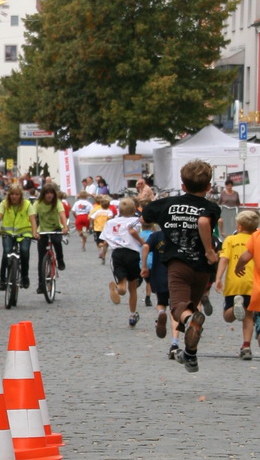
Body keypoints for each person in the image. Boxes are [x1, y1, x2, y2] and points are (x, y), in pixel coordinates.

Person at [142, 159, 221, 373]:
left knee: (179, 309)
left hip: (178, 263)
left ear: (183, 185)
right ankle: (190, 355)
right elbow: (205, 222)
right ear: (208, 187)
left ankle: (191, 319)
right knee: (191, 307)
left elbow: (145, 215)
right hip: (202, 269)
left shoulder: (168, 203)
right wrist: (209, 253)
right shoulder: (211, 207)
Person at [216, 206, 259, 360]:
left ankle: (235, 308)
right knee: (248, 316)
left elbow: (224, 259)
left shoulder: (230, 240)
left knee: (228, 317)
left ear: (239, 226)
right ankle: (246, 346)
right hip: (251, 283)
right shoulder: (256, 239)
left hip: (234, 282)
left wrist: (218, 278)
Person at [102, 197, 145, 325]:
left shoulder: (111, 222)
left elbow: (105, 240)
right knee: (133, 288)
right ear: (133, 210)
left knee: (123, 286)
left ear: (119, 210)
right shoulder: (136, 221)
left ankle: (116, 288)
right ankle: (132, 315)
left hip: (118, 253)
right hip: (133, 254)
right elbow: (136, 229)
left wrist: (104, 251)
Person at [0, 181, 36, 290]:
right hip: (8, 233)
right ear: (8, 195)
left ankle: (25, 276)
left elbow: (33, 220)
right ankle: (2, 280)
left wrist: (34, 232)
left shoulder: (27, 204)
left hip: (24, 233)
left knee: (25, 251)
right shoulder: (4, 204)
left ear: (21, 195)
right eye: (12, 194)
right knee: (6, 253)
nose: (14, 197)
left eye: (17, 194)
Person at [34, 182, 67, 295]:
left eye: (51, 193)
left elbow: (62, 214)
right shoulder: (38, 203)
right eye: (47, 193)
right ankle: (41, 285)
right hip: (42, 230)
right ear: (43, 194)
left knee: (57, 241)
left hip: (56, 229)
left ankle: (60, 259)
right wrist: (33, 231)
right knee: (41, 258)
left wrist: (65, 227)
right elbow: (32, 216)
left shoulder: (57, 202)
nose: (49, 195)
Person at [89, 195, 113, 262]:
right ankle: (103, 255)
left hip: (97, 229)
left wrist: (92, 225)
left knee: (98, 242)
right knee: (105, 242)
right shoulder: (109, 212)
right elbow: (110, 218)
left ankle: (101, 250)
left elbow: (91, 218)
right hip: (106, 229)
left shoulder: (98, 212)